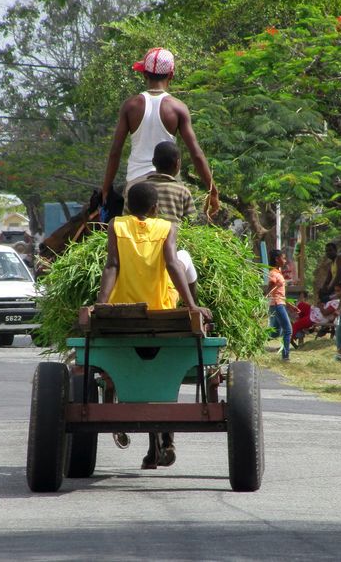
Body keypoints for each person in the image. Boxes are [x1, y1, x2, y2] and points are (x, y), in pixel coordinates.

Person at [97, 181, 212, 469]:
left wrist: (102, 305)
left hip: (124, 313)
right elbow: (173, 264)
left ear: (127, 206)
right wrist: (191, 305)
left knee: (138, 372)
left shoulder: (115, 225)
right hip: (163, 314)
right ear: (155, 207)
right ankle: (163, 440)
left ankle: (154, 447)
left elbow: (112, 265)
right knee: (160, 374)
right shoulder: (166, 227)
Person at [101, 47, 220, 216]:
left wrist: (105, 189)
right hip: (170, 187)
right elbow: (196, 154)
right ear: (171, 75)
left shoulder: (131, 106)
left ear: (145, 74)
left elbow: (115, 152)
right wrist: (212, 190)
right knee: (181, 234)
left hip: (136, 188)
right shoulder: (177, 107)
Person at [144, 141, 196, 224]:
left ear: (153, 162)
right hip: (174, 236)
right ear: (177, 163)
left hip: (142, 235)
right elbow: (192, 224)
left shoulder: (137, 189)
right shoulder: (183, 191)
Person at [267, 249, 298, 361]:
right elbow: (271, 285)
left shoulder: (278, 272)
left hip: (278, 303)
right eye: (283, 258)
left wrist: (290, 305)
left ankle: (257, 339)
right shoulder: (273, 273)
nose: (285, 261)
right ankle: (286, 357)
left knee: (275, 333)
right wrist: (265, 295)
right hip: (277, 304)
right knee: (288, 331)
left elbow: (280, 294)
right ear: (277, 259)